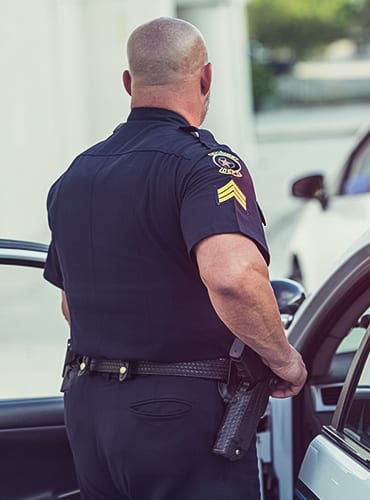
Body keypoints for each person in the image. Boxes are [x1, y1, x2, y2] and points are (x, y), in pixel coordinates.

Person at [43, 17, 306, 500]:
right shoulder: (205, 167)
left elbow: (70, 306)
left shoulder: (76, 175)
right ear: (206, 78)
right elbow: (232, 277)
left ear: (129, 83)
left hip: (88, 414)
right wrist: (283, 359)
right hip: (177, 417)